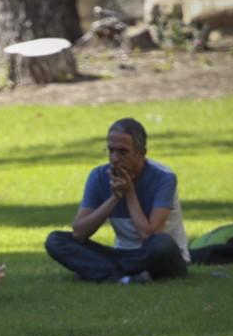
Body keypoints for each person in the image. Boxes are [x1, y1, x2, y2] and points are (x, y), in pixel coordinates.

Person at [45, 118, 189, 283]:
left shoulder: (164, 178)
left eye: (122, 152)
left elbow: (149, 234)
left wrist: (129, 193)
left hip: (160, 257)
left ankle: (102, 272)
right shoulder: (99, 176)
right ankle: (125, 277)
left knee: (162, 243)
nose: (114, 158)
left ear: (141, 153)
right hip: (123, 253)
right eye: (110, 150)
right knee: (56, 240)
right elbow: (79, 233)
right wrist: (114, 198)